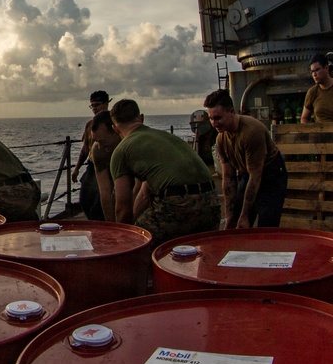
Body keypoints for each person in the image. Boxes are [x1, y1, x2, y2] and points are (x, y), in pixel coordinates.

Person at [109, 99, 219, 246]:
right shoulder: (164, 138)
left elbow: (122, 208)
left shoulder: (121, 150)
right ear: (141, 118)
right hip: (212, 201)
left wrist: (124, 241)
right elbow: (144, 194)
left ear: (115, 129)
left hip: (179, 205)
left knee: (138, 241)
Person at [204, 89, 287, 228]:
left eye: (218, 118)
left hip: (271, 174)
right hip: (247, 173)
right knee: (234, 221)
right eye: (211, 119)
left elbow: (256, 176)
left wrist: (245, 216)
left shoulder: (251, 132)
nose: (214, 123)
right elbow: (228, 177)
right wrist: (229, 215)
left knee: (266, 226)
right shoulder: (221, 139)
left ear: (231, 111)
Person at [71, 91, 110, 220]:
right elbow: (85, 149)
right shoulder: (90, 125)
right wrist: (76, 169)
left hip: (108, 167)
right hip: (92, 166)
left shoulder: (113, 123)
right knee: (85, 199)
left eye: (97, 105)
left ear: (106, 104)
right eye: (92, 105)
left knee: (100, 204)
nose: (94, 108)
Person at [301, 53, 333, 122]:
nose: (314, 74)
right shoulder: (312, 92)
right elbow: (304, 118)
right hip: (320, 131)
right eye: (312, 72)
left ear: (326, 68)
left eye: (317, 70)